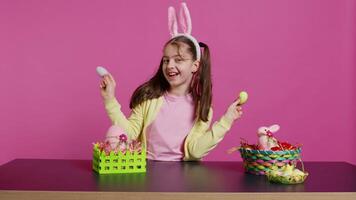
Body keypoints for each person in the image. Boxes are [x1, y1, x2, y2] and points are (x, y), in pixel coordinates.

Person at [99, 3, 244, 161]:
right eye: (166, 60)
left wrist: (227, 120)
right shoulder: (148, 98)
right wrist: (110, 100)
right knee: (114, 130)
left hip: (185, 176)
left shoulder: (202, 107)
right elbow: (130, 133)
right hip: (147, 171)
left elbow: (195, 152)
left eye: (178, 60)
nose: (170, 66)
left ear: (195, 65)